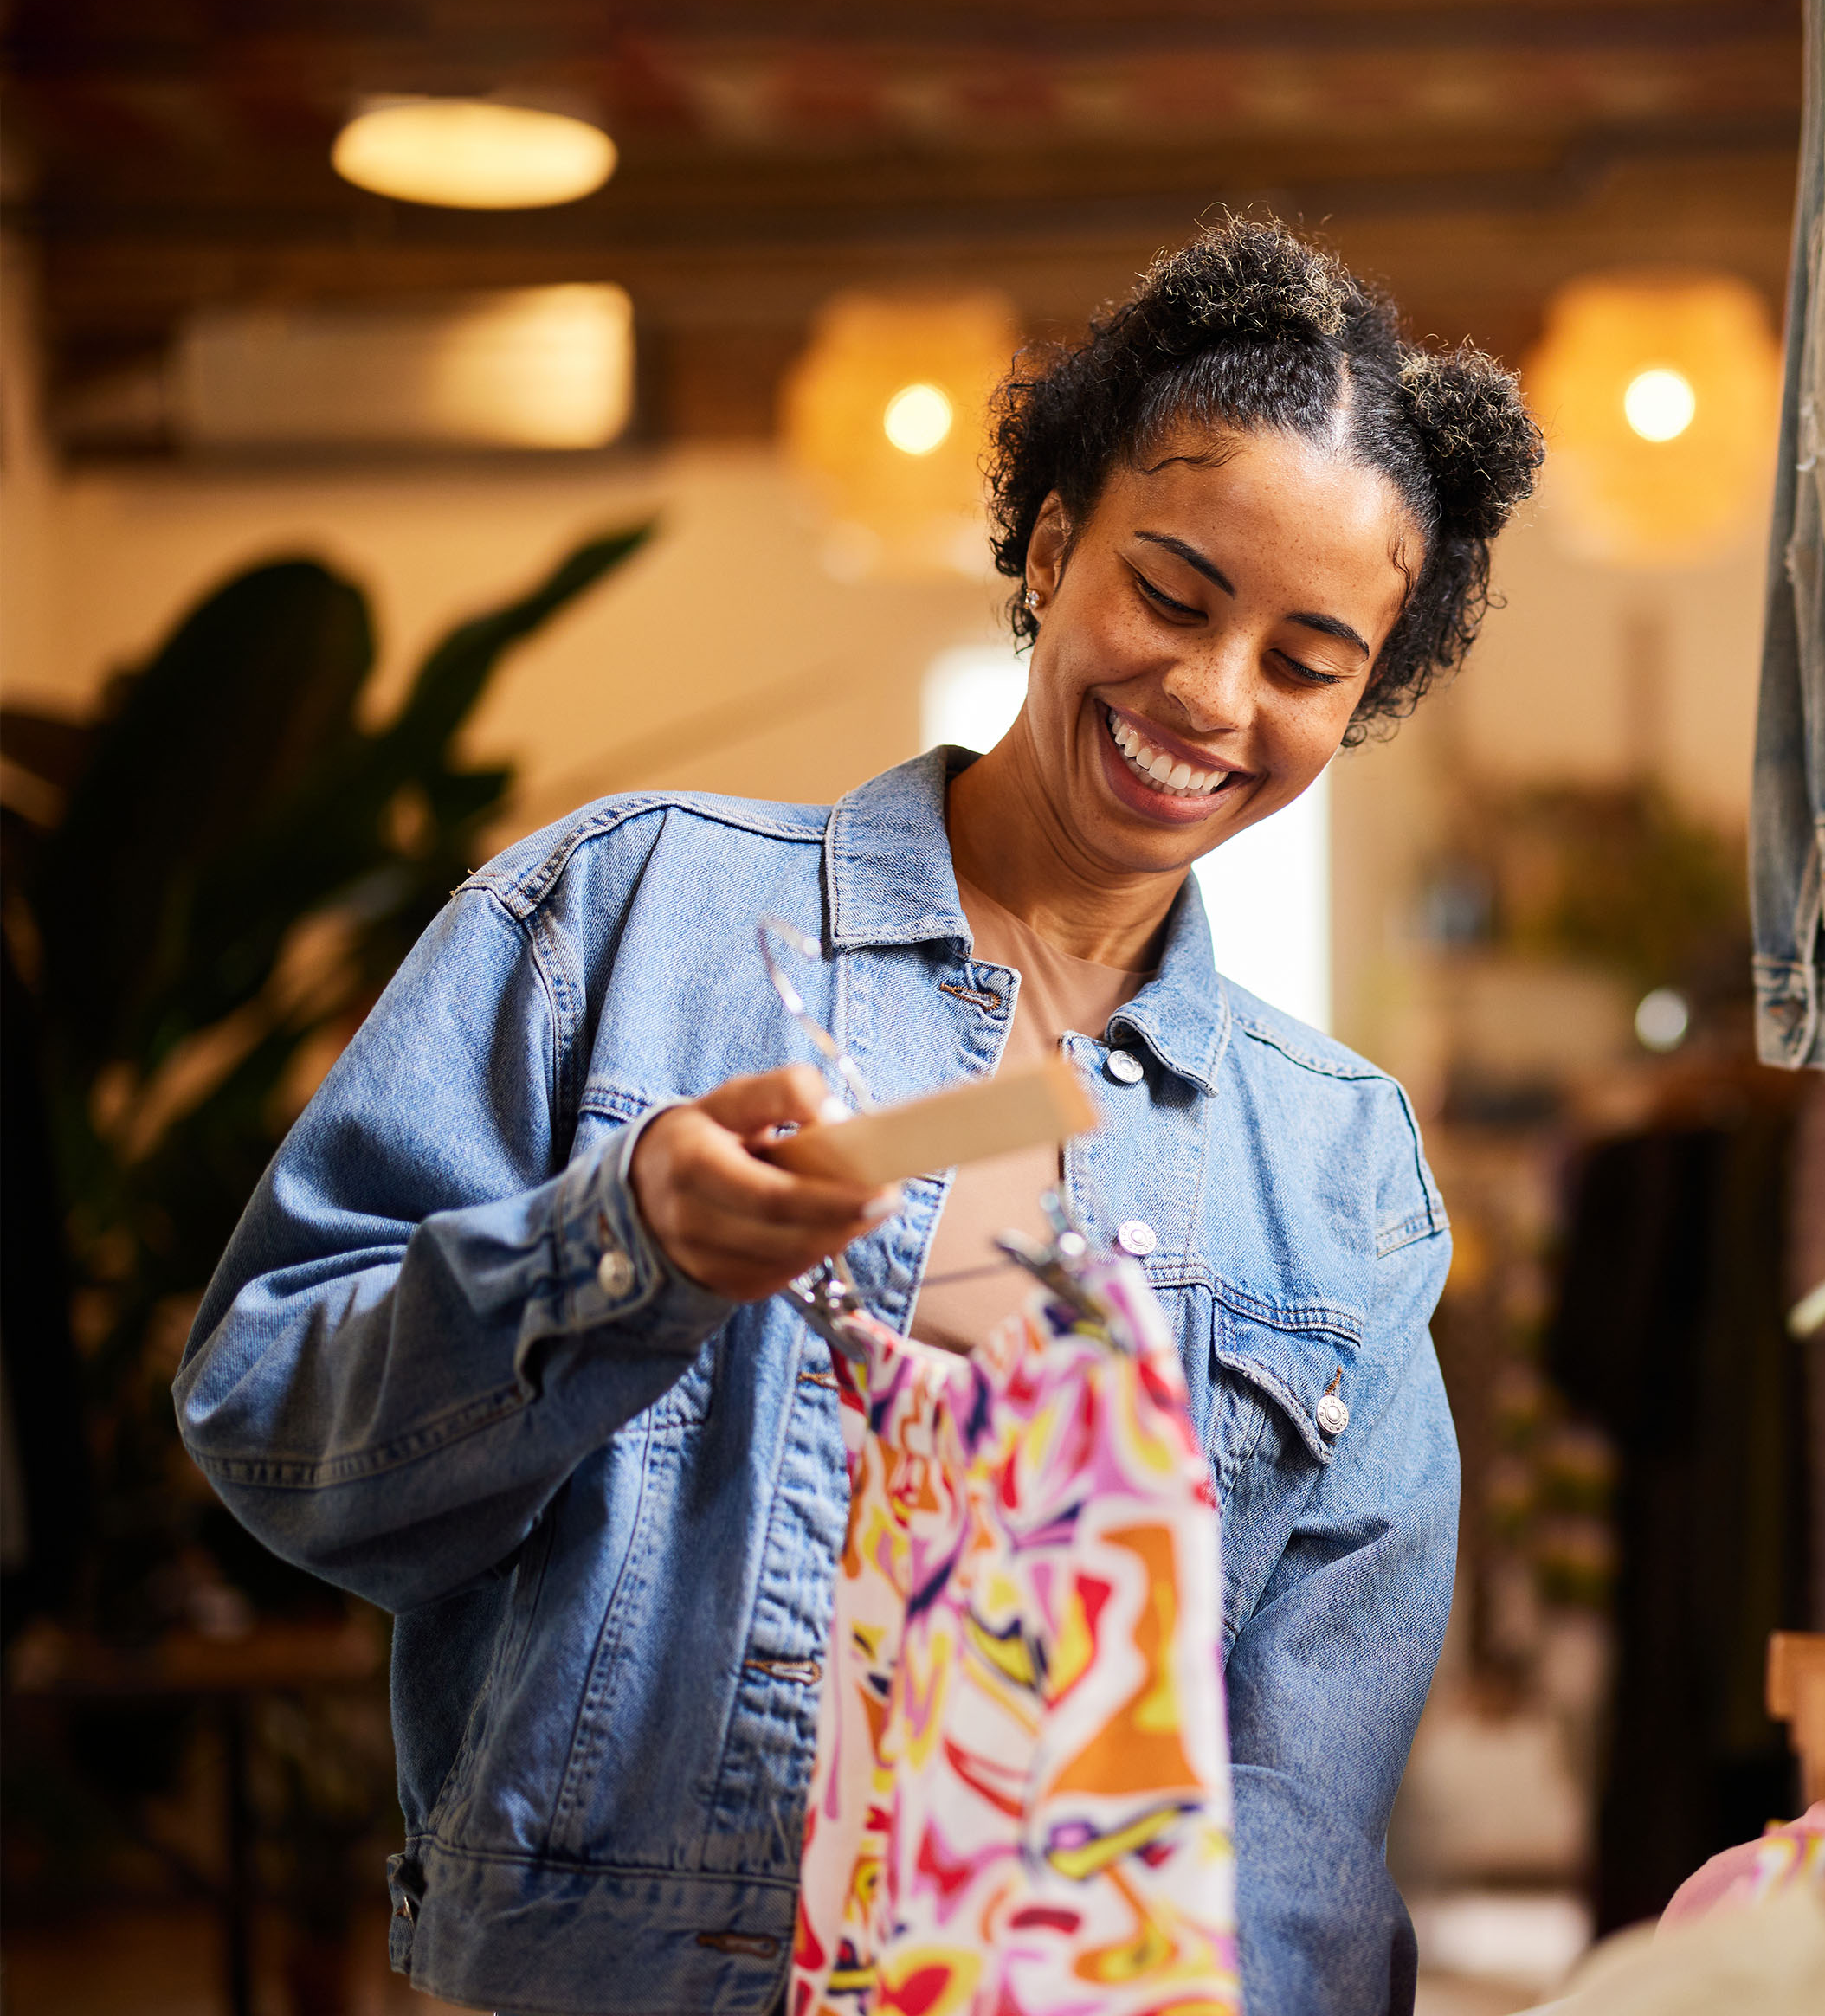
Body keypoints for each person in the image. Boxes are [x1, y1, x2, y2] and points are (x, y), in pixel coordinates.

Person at [173, 217, 1542, 2016]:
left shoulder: (1340, 1165)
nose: (1214, 698)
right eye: (1176, 594)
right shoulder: (620, 920)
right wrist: (610, 1252)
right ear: (1056, 544)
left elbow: (1299, 1794)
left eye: (1307, 659)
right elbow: (269, 1424)